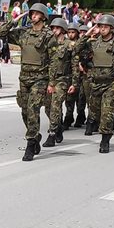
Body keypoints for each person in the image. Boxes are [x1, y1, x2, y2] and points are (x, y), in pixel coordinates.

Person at [70, 14, 114, 153]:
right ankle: (101, 129)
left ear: (111, 29)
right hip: (96, 83)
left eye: (105, 27)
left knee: (107, 112)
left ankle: (105, 139)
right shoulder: (93, 43)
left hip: (113, 83)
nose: (103, 29)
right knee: (95, 112)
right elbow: (75, 49)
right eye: (100, 26)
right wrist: (87, 34)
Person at [0, 3, 52, 161]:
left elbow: (54, 60)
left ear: (42, 16)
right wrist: (15, 20)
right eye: (32, 13)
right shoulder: (24, 33)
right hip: (24, 78)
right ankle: (35, 136)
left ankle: (29, 143)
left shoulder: (48, 36)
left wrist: (52, 82)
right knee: (25, 112)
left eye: (36, 13)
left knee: (33, 108)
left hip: (40, 79)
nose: (33, 15)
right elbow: (1, 33)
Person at [43, 17, 72, 147]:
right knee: (48, 107)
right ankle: (58, 126)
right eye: (53, 28)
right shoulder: (48, 43)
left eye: (57, 28)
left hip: (62, 79)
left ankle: (52, 133)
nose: (54, 30)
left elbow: (75, 64)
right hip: (49, 79)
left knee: (55, 105)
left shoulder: (68, 45)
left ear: (63, 30)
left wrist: (74, 83)